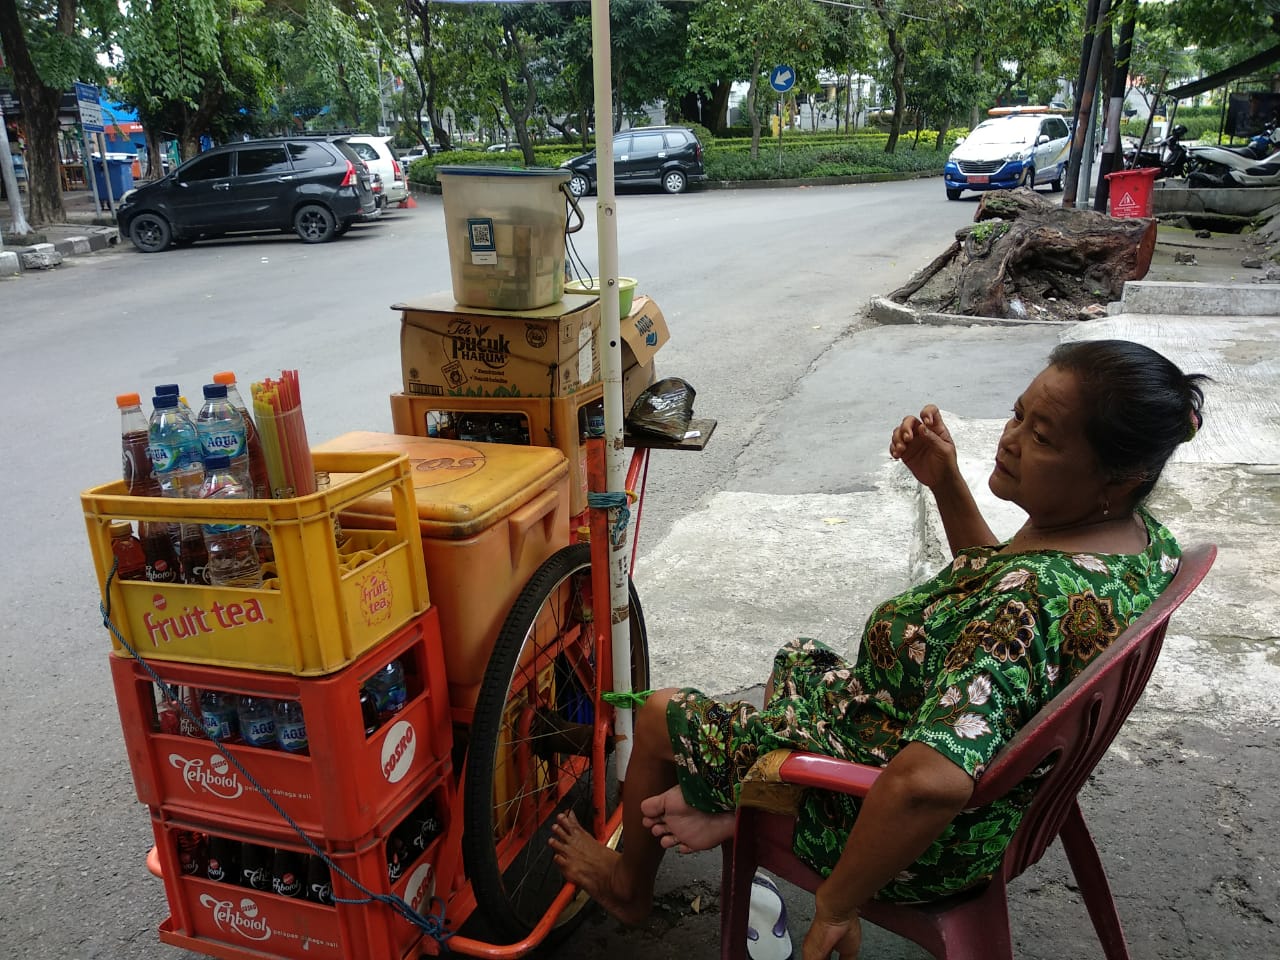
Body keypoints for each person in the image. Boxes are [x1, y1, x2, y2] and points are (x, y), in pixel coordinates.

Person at [549, 339, 1209, 959]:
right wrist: (946, 481)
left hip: (912, 833)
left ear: (1117, 477)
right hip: (1002, 795)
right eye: (1017, 415)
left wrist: (838, 902)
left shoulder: (1027, 604)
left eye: (1041, 437)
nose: (1009, 440)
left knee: (665, 712)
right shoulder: (1136, 544)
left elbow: (927, 784)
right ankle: (737, 799)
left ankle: (633, 883)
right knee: (800, 660)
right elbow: (994, 589)